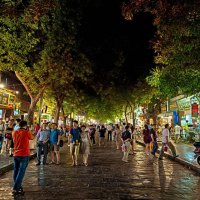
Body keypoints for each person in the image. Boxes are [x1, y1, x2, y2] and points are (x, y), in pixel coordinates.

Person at [12, 120, 34, 196]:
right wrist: (30, 130)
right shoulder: (26, 132)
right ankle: (16, 188)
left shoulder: (14, 132)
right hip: (24, 154)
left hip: (16, 154)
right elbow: (32, 137)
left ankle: (19, 187)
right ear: (25, 125)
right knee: (21, 171)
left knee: (16, 170)